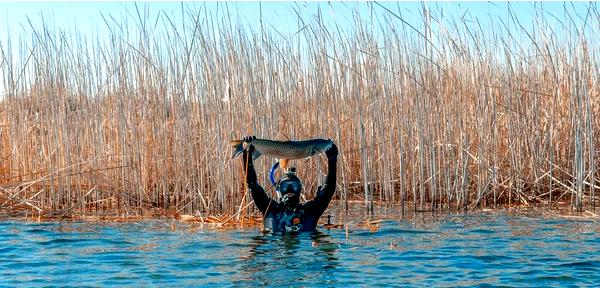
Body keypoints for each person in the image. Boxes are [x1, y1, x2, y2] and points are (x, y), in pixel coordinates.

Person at [241, 136, 338, 233]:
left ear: (300, 189)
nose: (290, 189)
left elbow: (329, 190)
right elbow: (252, 184)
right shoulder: (270, 209)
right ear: (279, 188)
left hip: (304, 247)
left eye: (294, 186)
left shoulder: (310, 211)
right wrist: (247, 156)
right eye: (285, 186)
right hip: (276, 247)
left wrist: (332, 160)